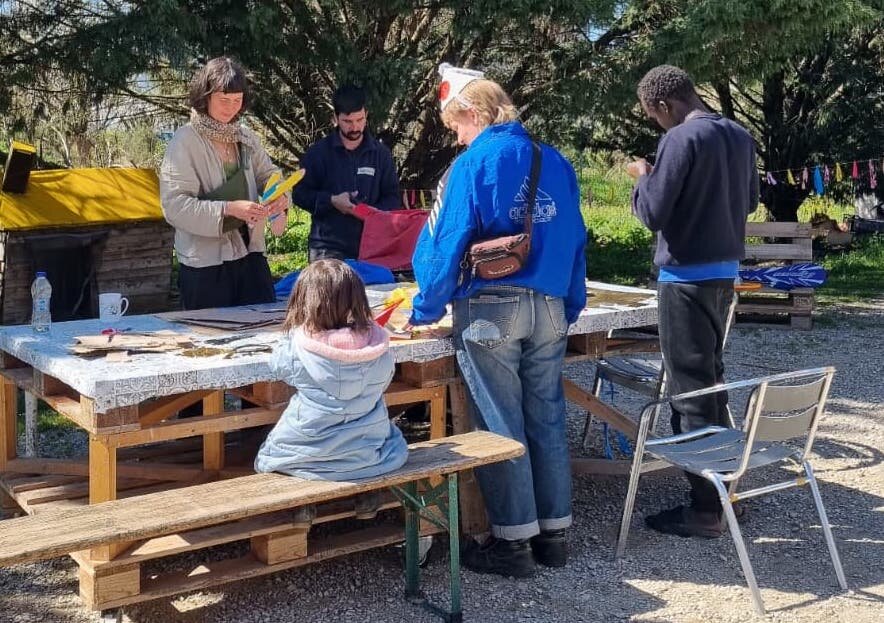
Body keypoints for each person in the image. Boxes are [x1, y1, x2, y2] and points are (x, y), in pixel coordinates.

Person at [409, 65, 587, 578]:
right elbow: (576, 237)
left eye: (455, 125)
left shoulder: (471, 164)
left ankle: (513, 544)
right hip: (549, 304)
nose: (456, 137)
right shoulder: (554, 160)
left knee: (499, 420)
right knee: (547, 414)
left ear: (473, 112)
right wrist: (571, 301)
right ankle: (555, 536)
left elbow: (444, 243)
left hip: (491, 307)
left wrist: (425, 308)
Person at [627, 65, 758, 538]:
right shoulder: (739, 136)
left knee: (690, 391)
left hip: (684, 277)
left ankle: (706, 508)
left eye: (653, 115)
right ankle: (724, 490)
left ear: (664, 105)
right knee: (712, 380)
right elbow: (749, 202)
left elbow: (652, 211)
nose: (656, 123)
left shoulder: (680, 139)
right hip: (724, 274)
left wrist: (643, 177)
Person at [255, 259, 408, 519]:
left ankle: (302, 504)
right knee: (391, 438)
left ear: (304, 301)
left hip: (306, 453)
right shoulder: (378, 347)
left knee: (273, 457)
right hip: (368, 452)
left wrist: (292, 334)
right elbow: (384, 379)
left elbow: (277, 366)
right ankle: (367, 495)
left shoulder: (297, 349)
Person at [160, 56, 289, 310]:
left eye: (237, 100)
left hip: (251, 255)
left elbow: (269, 175)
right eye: (224, 100)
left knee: (262, 328)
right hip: (205, 266)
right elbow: (174, 206)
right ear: (205, 96)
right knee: (210, 333)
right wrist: (228, 209)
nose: (231, 108)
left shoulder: (245, 137)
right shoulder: (184, 141)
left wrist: (279, 197)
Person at [293, 85, 401, 262]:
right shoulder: (318, 153)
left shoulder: (381, 154)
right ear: (335, 118)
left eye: (360, 119)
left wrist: (375, 213)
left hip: (372, 246)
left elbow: (393, 197)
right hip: (327, 248)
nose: (355, 127)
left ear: (366, 114)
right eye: (348, 122)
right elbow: (299, 194)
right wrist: (331, 201)